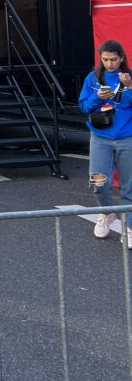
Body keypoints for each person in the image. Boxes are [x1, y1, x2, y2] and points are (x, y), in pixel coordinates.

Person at [79, 39, 132, 245]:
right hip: (100, 137)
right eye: (105, 59)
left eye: (113, 59)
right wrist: (97, 97)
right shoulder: (93, 78)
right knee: (97, 181)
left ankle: (129, 227)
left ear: (121, 58)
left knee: (129, 186)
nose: (109, 63)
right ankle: (107, 213)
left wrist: (129, 87)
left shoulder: (129, 77)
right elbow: (84, 107)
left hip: (127, 137)